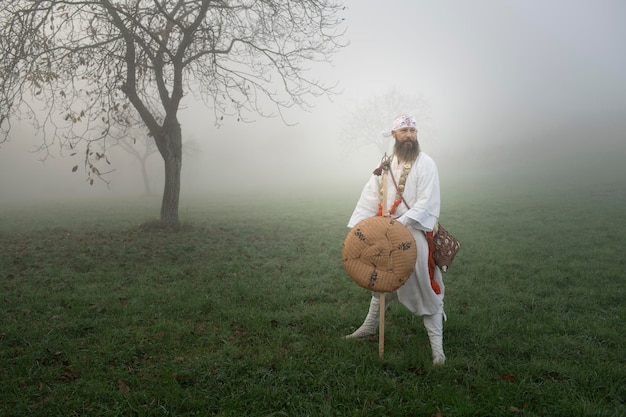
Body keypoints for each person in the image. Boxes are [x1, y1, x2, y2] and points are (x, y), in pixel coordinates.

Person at [345, 113, 446, 365]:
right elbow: (369, 199)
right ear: (394, 136)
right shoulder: (385, 166)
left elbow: (425, 202)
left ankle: (438, 351)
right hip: (384, 235)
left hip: (413, 235)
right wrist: (358, 230)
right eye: (404, 131)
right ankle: (368, 328)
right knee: (381, 284)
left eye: (413, 131)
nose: (409, 135)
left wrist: (398, 226)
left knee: (426, 288)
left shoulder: (426, 163)